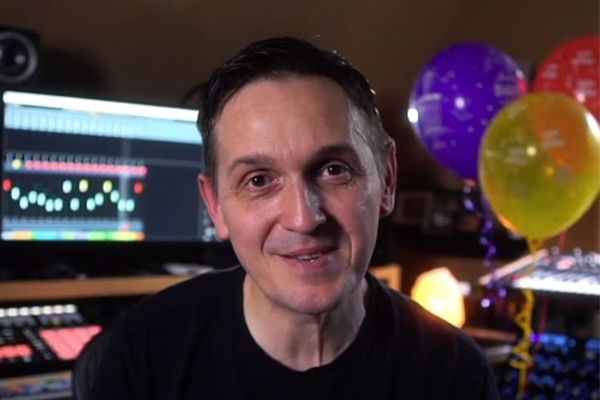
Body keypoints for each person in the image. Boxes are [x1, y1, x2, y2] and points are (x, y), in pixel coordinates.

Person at [87, 37, 499, 400]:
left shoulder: (455, 372)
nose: (304, 218)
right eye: (259, 180)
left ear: (387, 179)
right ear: (215, 205)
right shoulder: (141, 353)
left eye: (333, 170)